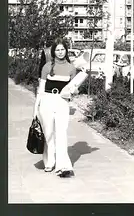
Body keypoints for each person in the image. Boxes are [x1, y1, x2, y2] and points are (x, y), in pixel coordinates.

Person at [33, 38, 78, 178]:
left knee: (62, 132)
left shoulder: (71, 68)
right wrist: (36, 109)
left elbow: (73, 89)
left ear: (66, 51)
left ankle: (62, 165)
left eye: (62, 49)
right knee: (49, 133)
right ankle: (49, 161)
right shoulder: (47, 67)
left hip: (62, 102)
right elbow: (40, 89)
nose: (60, 52)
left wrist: (74, 92)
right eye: (57, 50)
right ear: (53, 52)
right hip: (47, 100)